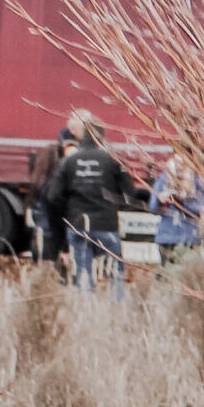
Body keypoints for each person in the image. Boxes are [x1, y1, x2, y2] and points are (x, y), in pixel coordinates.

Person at [46, 114, 136, 298]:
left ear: (81, 136)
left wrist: (69, 214)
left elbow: (53, 196)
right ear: (101, 137)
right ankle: (117, 311)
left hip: (79, 225)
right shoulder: (112, 161)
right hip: (107, 225)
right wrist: (116, 211)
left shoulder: (69, 161)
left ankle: (86, 314)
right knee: (115, 276)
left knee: (83, 277)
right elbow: (130, 194)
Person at [28, 125, 75, 271]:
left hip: (44, 228)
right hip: (53, 229)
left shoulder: (44, 181)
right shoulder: (59, 182)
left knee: (45, 268)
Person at [149, 150, 204, 260]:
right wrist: (161, 200)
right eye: (177, 158)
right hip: (167, 237)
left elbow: (201, 208)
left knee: (186, 275)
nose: (179, 162)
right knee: (166, 274)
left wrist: (181, 202)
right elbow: (152, 207)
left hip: (189, 238)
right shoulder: (164, 179)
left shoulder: (197, 181)